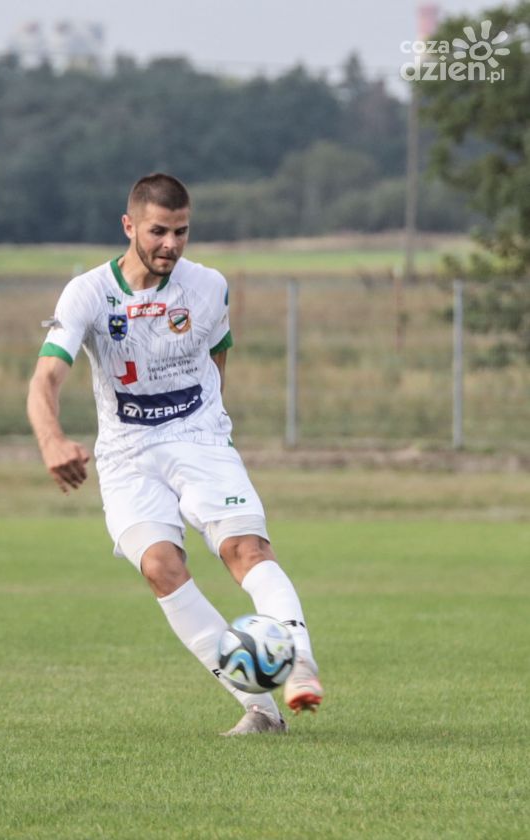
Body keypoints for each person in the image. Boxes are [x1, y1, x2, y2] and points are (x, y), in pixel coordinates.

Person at [26, 173, 324, 736]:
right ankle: (260, 710)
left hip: (199, 439)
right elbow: (46, 378)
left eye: (181, 232)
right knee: (161, 568)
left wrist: (210, 425)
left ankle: (299, 664)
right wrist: (52, 440)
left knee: (245, 549)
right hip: (127, 454)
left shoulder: (208, 286)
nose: (171, 244)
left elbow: (218, 357)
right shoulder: (88, 293)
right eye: (158, 231)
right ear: (129, 226)